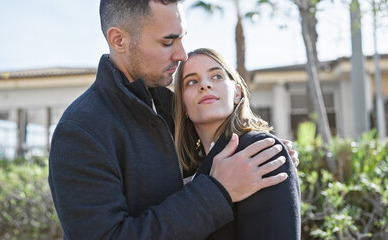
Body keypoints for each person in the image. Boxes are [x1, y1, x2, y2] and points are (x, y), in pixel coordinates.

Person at [48, 1, 297, 239]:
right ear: (119, 40)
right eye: (168, 42)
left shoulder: (169, 110)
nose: (181, 54)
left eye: (182, 37)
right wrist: (216, 191)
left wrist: (265, 150)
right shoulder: (81, 130)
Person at [174, 48, 301, 239]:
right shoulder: (184, 172)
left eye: (216, 76)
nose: (205, 85)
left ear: (237, 93)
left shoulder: (260, 151)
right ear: (183, 105)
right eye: (192, 81)